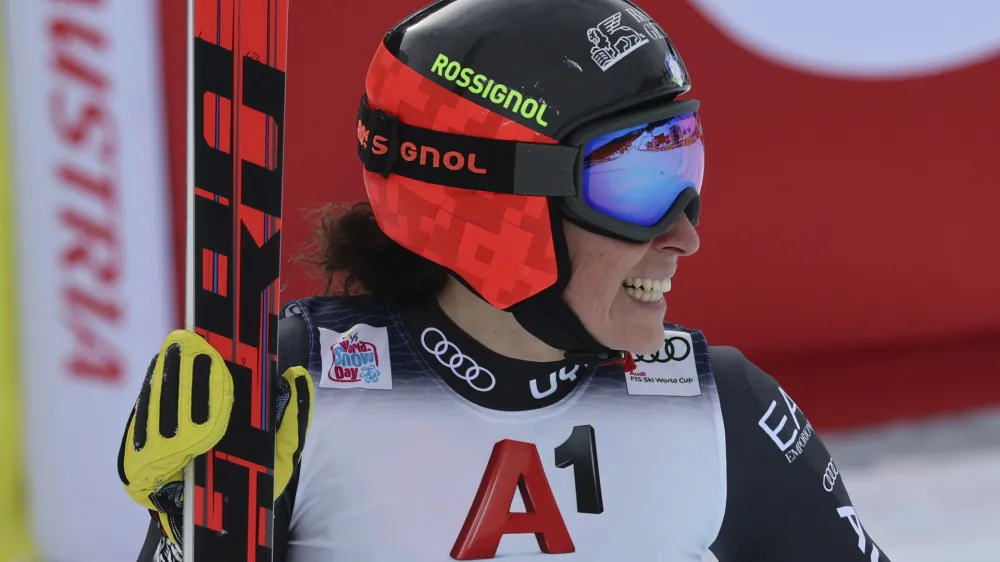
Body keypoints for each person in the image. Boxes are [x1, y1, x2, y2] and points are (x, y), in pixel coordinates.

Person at [120, 0, 893, 560]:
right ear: (487, 204)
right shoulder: (297, 390)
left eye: (682, 164)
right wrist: (189, 534)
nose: (683, 234)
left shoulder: (721, 409)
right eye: (635, 184)